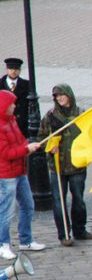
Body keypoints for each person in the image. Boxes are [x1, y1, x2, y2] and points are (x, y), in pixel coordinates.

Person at [38, 84, 92, 246]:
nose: (59, 98)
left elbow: (91, 134)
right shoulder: (50, 116)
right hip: (57, 166)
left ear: (69, 95)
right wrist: (50, 146)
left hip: (77, 165)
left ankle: (80, 230)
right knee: (59, 201)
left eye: (61, 95)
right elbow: (41, 138)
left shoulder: (81, 114)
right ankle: (64, 234)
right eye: (56, 96)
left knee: (78, 199)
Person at [0, 90, 43, 259]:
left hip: (19, 171)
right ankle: (3, 244)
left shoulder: (11, 121)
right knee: (6, 210)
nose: (14, 106)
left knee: (28, 205)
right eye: (11, 103)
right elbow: (6, 153)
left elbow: (20, 140)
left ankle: (26, 240)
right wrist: (26, 149)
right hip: (7, 175)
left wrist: (29, 145)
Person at [2, 58, 30, 135]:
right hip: (4, 125)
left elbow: (32, 105)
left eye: (16, 69)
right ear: (6, 69)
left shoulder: (26, 85)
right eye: (11, 68)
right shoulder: (1, 84)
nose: (13, 71)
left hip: (22, 126)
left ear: (20, 70)